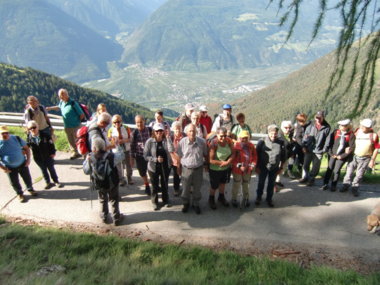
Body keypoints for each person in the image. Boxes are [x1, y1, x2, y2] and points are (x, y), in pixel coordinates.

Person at [83, 137, 123, 226]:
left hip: (99, 183)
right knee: (114, 199)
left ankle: (104, 217)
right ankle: (116, 218)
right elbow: (122, 156)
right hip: (112, 182)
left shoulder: (91, 157)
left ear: (94, 148)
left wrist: (87, 161)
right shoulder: (111, 156)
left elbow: (86, 171)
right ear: (104, 147)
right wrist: (117, 145)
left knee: (102, 199)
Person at [341, 119, 379, 196]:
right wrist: (348, 147)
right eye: (361, 125)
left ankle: (355, 188)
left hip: (365, 158)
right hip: (354, 156)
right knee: (348, 172)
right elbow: (351, 140)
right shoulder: (357, 131)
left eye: (363, 126)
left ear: (368, 127)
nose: (361, 126)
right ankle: (345, 185)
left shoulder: (374, 136)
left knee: (359, 175)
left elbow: (376, 149)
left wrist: (372, 160)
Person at [0, 125, 37, 202]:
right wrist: (3, 168)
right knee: (14, 182)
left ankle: (30, 189)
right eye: (2, 133)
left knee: (27, 178)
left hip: (22, 163)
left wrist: (28, 160)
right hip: (9, 167)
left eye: (6, 133)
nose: (5, 135)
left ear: (8, 133)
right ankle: (19, 193)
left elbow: (27, 149)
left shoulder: (16, 138)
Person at [177, 124, 208, 214]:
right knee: (185, 188)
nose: (192, 132)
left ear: (196, 131)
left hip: (198, 169)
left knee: (197, 188)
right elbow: (179, 156)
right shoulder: (182, 142)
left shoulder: (202, 142)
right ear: (186, 132)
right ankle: (185, 203)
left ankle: (196, 204)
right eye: (190, 131)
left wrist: (206, 166)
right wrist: (178, 167)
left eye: (194, 130)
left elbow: (205, 154)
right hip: (186, 169)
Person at [144, 123, 176, 210]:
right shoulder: (149, 142)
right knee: (154, 185)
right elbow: (145, 156)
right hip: (153, 168)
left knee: (164, 184)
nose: (159, 132)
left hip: (165, 166)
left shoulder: (166, 140)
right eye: (157, 131)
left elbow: (172, 150)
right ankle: (155, 202)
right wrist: (155, 159)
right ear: (154, 131)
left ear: (163, 131)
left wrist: (168, 138)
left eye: (161, 130)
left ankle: (165, 200)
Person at [46, 88, 84, 160]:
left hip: (76, 126)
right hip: (67, 126)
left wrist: (77, 122)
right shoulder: (62, 102)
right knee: (70, 141)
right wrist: (50, 108)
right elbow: (58, 107)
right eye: (60, 96)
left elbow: (81, 114)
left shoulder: (73, 103)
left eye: (62, 95)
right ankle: (74, 153)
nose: (61, 97)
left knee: (78, 139)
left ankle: (81, 152)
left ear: (66, 94)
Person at [26, 121, 63, 190]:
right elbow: (27, 146)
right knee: (43, 170)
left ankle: (56, 181)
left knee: (51, 169)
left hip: (48, 156)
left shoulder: (45, 135)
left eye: (34, 127)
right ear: (28, 129)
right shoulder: (29, 138)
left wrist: (53, 153)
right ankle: (48, 182)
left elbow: (51, 144)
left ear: (38, 127)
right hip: (38, 158)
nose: (33, 129)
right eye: (30, 128)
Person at [255, 125, 286, 208]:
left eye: (275, 133)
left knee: (271, 184)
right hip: (262, 166)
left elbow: (283, 156)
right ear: (268, 133)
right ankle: (258, 197)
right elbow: (256, 155)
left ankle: (269, 199)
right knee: (261, 182)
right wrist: (256, 167)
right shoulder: (262, 141)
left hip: (274, 167)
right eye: (271, 133)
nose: (273, 135)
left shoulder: (281, 142)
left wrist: (281, 168)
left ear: (277, 133)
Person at [322, 119, 355, 192]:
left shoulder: (351, 135)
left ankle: (333, 185)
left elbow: (351, 147)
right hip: (333, 154)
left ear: (347, 126)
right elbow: (330, 144)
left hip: (341, 156)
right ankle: (325, 183)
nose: (340, 126)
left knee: (336, 170)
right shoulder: (335, 132)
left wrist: (342, 156)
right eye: (340, 125)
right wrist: (331, 154)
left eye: (343, 125)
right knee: (329, 169)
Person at [300, 111, 331, 186]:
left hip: (319, 151)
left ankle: (311, 179)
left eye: (320, 118)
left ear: (323, 117)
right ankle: (306, 177)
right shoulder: (310, 126)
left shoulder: (327, 127)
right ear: (315, 117)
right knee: (306, 165)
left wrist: (324, 150)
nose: (318, 119)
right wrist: (303, 146)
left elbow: (328, 140)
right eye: (317, 118)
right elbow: (305, 137)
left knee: (315, 167)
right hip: (308, 149)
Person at [208, 127, 234, 209]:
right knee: (214, 186)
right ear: (217, 135)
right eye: (221, 136)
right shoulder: (214, 143)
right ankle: (211, 199)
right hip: (215, 169)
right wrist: (222, 163)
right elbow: (210, 160)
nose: (223, 138)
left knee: (223, 183)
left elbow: (233, 153)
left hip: (225, 168)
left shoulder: (229, 141)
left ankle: (221, 197)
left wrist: (228, 162)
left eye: (225, 136)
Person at [231, 130, 257, 208]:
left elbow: (255, 156)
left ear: (248, 138)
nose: (244, 140)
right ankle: (234, 199)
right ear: (239, 138)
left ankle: (246, 198)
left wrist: (252, 165)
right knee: (236, 184)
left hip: (248, 169)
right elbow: (233, 158)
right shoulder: (236, 146)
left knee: (246, 184)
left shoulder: (251, 146)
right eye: (242, 138)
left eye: (246, 138)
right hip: (238, 170)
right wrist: (239, 166)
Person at [108, 114, 133, 186]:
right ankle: (121, 179)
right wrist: (114, 141)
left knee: (128, 165)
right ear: (112, 122)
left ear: (121, 121)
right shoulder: (110, 130)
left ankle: (129, 177)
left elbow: (131, 139)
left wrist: (124, 140)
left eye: (118, 122)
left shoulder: (126, 128)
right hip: (116, 151)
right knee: (118, 165)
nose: (117, 124)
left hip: (126, 149)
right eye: (115, 122)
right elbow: (109, 140)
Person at [131, 115, 152, 195]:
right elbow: (132, 146)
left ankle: (154, 185)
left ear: (144, 121)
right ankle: (147, 185)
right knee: (142, 172)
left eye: (141, 122)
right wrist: (131, 158)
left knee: (152, 171)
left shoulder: (150, 130)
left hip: (150, 155)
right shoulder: (134, 133)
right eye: (137, 122)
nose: (139, 124)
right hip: (140, 156)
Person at [275, 120, 296, 187]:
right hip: (279, 157)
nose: (288, 129)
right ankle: (273, 184)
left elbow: (290, 146)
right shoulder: (278, 136)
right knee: (277, 170)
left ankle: (278, 181)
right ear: (281, 127)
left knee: (282, 170)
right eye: (286, 127)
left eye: (289, 127)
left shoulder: (290, 135)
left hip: (286, 156)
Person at [170, 121, 185, 196]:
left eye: (179, 129)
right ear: (173, 129)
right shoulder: (171, 137)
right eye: (176, 129)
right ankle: (176, 189)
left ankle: (186, 189)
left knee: (185, 175)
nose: (177, 131)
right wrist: (178, 159)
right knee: (176, 176)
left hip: (184, 160)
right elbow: (170, 151)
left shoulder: (184, 137)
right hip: (174, 160)